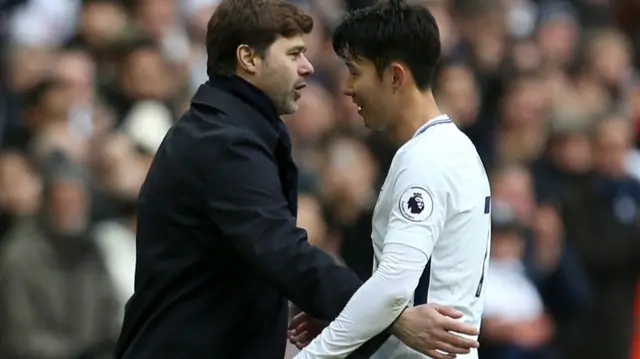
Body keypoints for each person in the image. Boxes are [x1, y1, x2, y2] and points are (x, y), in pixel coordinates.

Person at [114, 0, 480, 359]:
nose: (308, 67)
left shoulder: (240, 132)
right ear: (249, 58)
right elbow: (281, 249)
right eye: (293, 54)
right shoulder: (223, 142)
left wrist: (355, 317)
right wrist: (389, 319)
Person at [289, 1, 491, 358]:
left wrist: (315, 355)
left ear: (395, 76)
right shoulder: (455, 147)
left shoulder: (425, 159)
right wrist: (353, 321)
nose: (348, 88)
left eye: (355, 71)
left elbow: (392, 288)